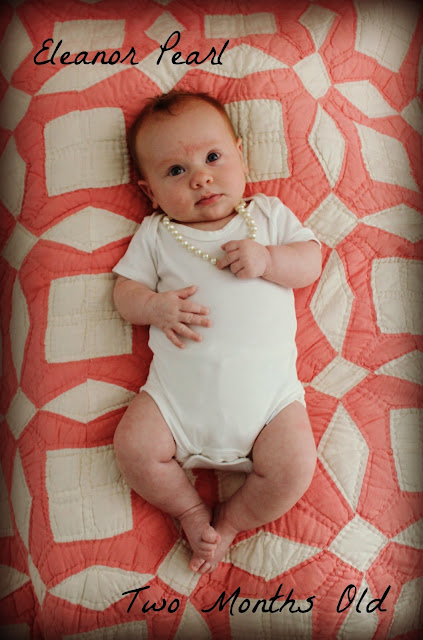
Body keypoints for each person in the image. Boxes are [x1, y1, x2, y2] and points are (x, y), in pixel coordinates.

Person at [112, 90, 322, 574]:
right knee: (133, 448)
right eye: (175, 170)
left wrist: (268, 260)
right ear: (150, 192)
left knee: (295, 466)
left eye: (212, 158)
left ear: (241, 155)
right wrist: (154, 307)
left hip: (269, 406)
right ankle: (189, 510)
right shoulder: (157, 234)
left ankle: (229, 523)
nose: (201, 178)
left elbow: (310, 261)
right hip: (174, 406)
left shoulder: (266, 216)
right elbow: (124, 294)